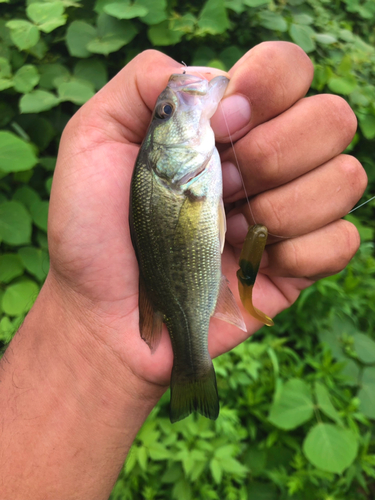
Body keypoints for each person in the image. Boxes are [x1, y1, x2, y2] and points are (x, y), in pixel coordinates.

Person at [0, 42, 367, 499]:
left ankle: (191, 371)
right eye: (167, 111)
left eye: (166, 109)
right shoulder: (169, 174)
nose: (177, 102)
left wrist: (93, 355)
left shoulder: (179, 171)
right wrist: (90, 339)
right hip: (189, 274)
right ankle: (193, 369)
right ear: (159, 148)